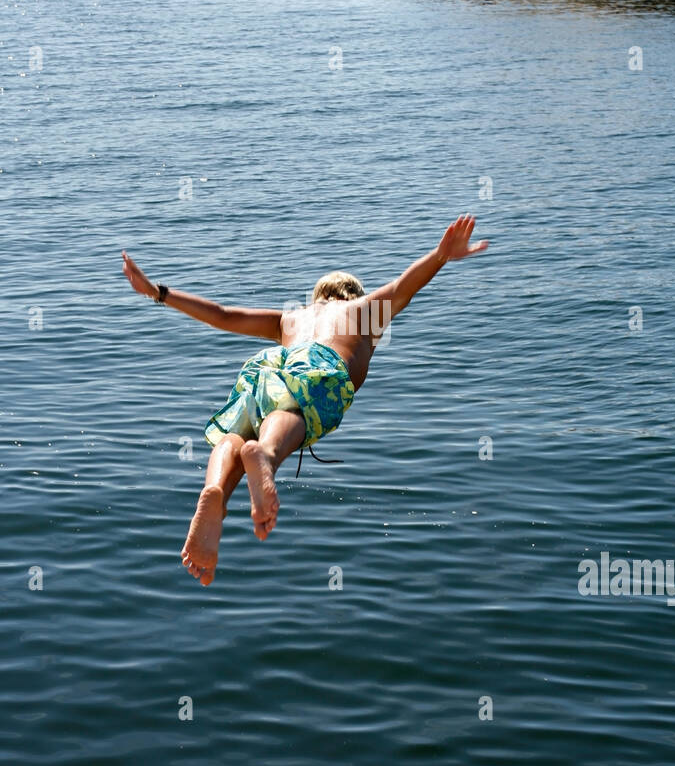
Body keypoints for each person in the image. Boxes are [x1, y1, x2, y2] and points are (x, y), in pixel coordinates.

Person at [121, 215, 487, 584]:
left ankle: (215, 489)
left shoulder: (290, 320)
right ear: (352, 295)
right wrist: (440, 255)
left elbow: (223, 315)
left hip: (267, 367)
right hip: (320, 366)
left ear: (318, 298)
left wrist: (158, 292)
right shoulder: (361, 312)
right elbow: (403, 287)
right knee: (298, 408)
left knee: (237, 436)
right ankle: (265, 455)